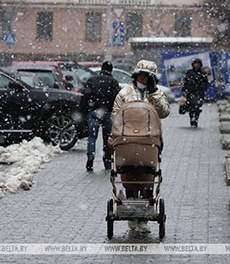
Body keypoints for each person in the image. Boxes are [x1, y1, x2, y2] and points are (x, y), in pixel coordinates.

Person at [112, 59, 170, 232]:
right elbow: (116, 115)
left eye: (147, 78)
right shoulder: (125, 93)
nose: (143, 80)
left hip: (149, 140)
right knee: (129, 178)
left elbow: (164, 112)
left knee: (148, 178)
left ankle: (143, 217)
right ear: (136, 76)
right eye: (141, 76)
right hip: (128, 140)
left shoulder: (156, 94)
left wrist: (154, 94)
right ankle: (131, 213)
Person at [81, 61, 121, 171]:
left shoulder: (92, 80)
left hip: (93, 112)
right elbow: (117, 99)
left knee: (92, 137)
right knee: (107, 138)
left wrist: (84, 112)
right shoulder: (113, 82)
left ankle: (90, 158)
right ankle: (107, 160)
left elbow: (85, 96)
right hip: (107, 113)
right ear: (111, 70)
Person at [181, 58, 208, 128]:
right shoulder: (189, 72)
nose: (196, 65)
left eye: (198, 64)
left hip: (199, 93)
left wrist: (202, 88)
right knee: (190, 107)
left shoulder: (202, 73)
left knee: (197, 107)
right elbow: (185, 81)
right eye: (195, 63)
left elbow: (205, 83)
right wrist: (184, 90)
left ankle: (196, 119)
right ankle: (191, 119)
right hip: (190, 93)